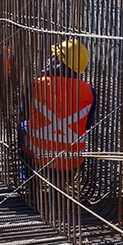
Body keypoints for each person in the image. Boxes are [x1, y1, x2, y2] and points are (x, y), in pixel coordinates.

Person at [22, 39, 96, 172]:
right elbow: (87, 124)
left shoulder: (37, 84)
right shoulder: (89, 92)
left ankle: (27, 178)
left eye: (54, 57)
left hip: (37, 159)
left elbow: (24, 113)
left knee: (23, 126)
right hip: (72, 162)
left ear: (58, 63)